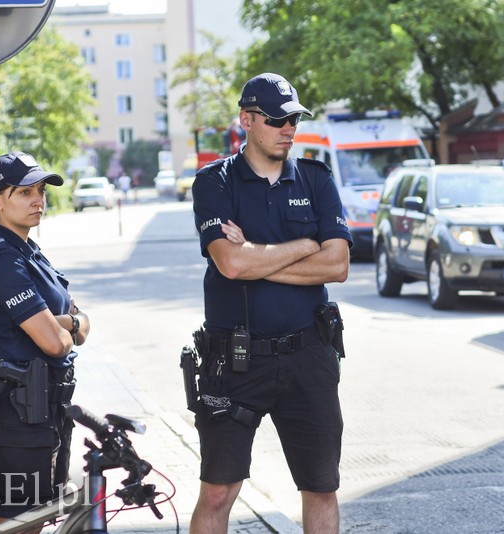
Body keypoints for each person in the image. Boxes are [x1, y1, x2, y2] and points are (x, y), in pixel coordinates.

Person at [189, 72, 352, 533]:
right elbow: (230, 265)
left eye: (293, 119)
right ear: (246, 119)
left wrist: (255, 255)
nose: (288, 128)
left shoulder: (317, 180)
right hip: (235, 360)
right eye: (277, 118)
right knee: (219, 491)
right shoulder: (214, 183)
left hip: (308, 356)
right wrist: (306, 244)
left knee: (321, 486)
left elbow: (337, 265)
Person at [0, 151, 90, 529]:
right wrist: (66, 326)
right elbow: (57, 344)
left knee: (41, 519)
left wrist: (60, 323)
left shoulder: (29, 251)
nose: (38, 200)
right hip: (17, 415)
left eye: (40, 191)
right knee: (19, 525)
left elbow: (81, 325)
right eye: (25, 192)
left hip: (48, 409)